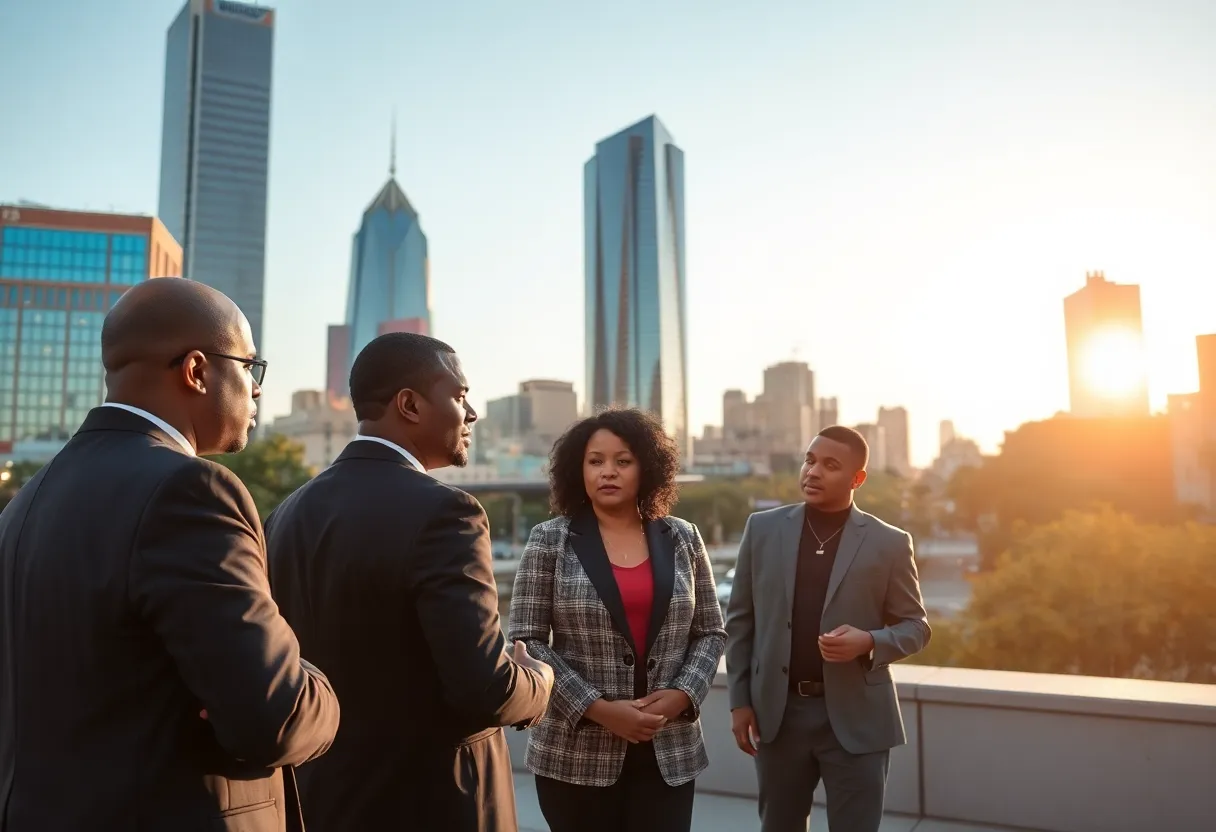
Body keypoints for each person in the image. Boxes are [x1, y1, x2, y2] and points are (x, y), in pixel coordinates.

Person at [0, 278, 340, 832]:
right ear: (197, 371)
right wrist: (316, 684)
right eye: (250, 368)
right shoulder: (191, 492)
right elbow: (273, 714)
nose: (256, 391)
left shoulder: (25, 502)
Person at [265, 332, 553, 832]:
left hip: (320, 801)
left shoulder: (287, 513)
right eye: (460, 395)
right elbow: (485, 688)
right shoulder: (447, 511)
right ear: (410, 405)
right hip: (434, 802)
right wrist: (540, 680)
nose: (472, 413)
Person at [509, 407, 726, 832]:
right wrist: (598, 708)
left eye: (622, 461)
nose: (608, 472)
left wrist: (682, 694)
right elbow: (527, 640)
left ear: (647, 467)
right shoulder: (549, 539)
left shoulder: (684, 537)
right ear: (579, 469)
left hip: (669, 752)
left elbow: (710, 631)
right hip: (575, 755)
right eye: (596, 461)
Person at [724, 425, 931, 832]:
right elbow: (740, 621)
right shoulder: (762, 529)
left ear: (857, 479)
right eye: (810, 460)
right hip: (779, 716)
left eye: (830, 465)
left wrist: (869, 641)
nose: (813, 471)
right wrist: (739, 701)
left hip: (858, 719)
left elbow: (916, 627)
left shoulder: (889, 542)